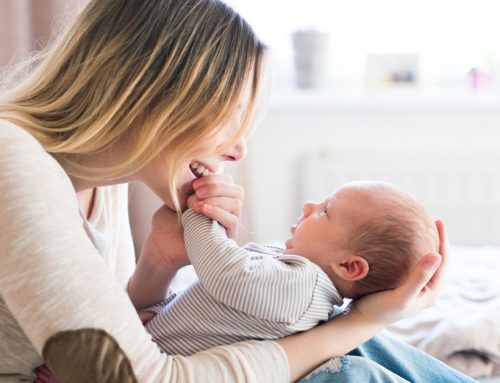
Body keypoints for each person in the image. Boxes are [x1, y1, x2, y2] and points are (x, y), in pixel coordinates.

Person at [0, 0, 475, 382]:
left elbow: (106, 331)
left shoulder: (103, 180)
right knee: (345, 360)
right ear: (157, 98)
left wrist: (159, 263)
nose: (240, 150)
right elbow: (136, 375)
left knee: (347, 341)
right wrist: (361, 321)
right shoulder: (13, 161)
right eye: (230, 116)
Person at [138, 180, 439, 355]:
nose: (309, 206)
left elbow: (226, 273)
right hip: (153, 347)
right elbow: (211, 305)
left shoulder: (303, 289)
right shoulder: (295, 272)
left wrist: (200, 213)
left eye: (325, 212)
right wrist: (163, 310)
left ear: (348, 266)